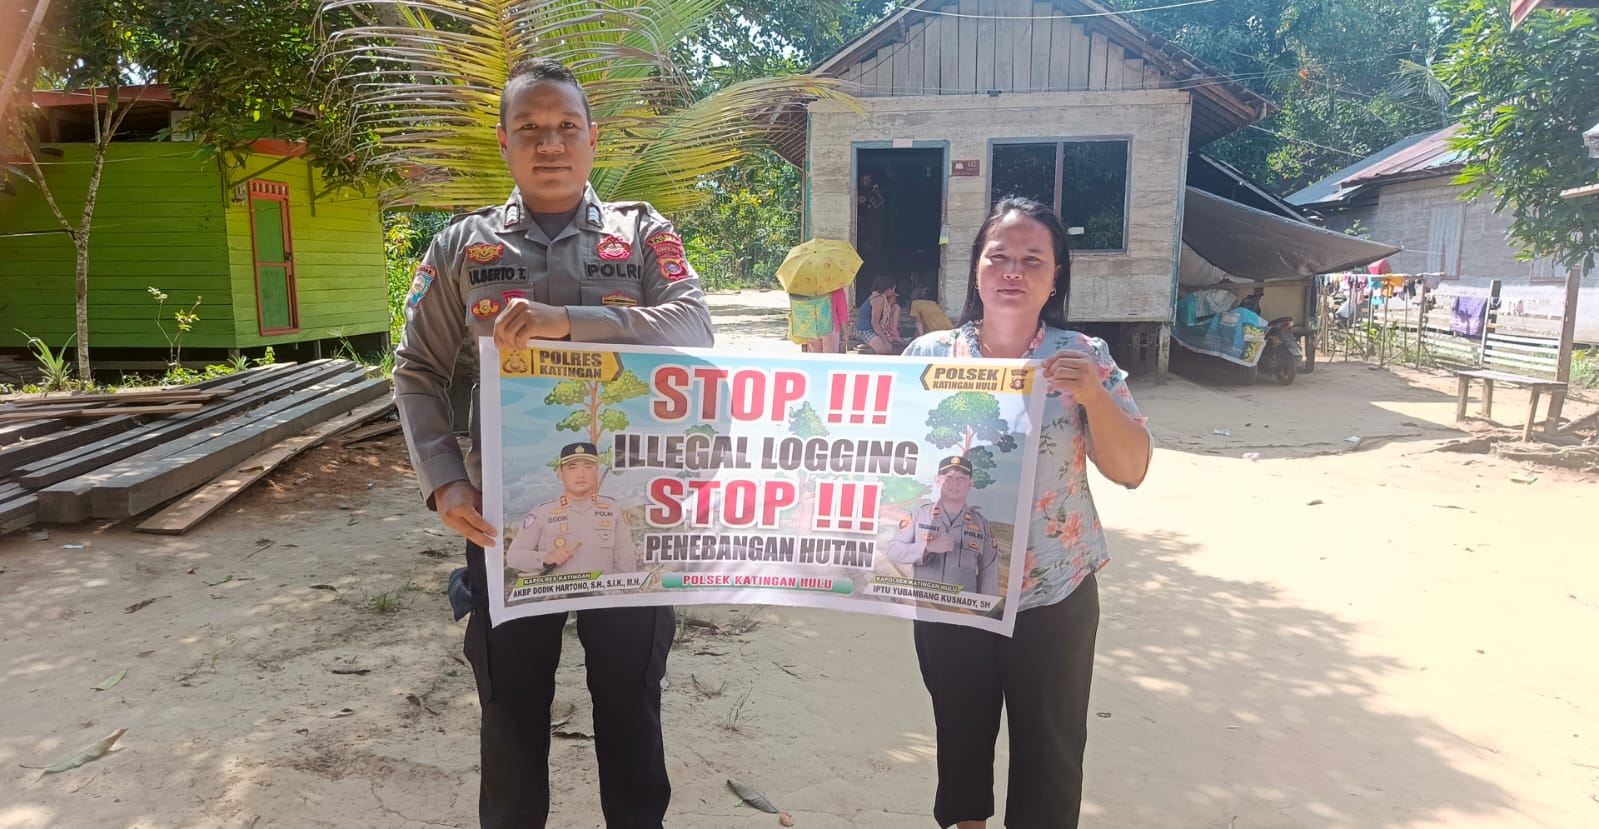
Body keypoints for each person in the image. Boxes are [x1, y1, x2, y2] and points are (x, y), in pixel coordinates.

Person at [393, 57, 713, 829]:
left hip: (626, 515)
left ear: (592, 139)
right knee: (511, 711)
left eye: (566, 127)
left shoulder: (642, 236)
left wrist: (570, 321)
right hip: (504, 520)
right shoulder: (461, 248)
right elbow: (417, 370)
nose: (549, 144)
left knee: (630, 703)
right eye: (530, 129)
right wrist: (445, 479)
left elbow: (693, 328)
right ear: (504, 142)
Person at [900, 197, 1151, 829]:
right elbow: (892, 466)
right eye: (999, 257)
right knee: (960, 742)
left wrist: (1093, 395)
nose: (1013, 271)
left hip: (1053, 591)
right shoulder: (927, 357)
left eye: (1032, 259)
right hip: (952, 588)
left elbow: (1131, 469)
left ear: (1056, 275)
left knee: (1050, 758)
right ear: (976, 268)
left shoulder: (1083, 356)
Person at [505, 442, 636, 577]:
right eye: (572, 467)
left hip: (601, 589)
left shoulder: (612, 509)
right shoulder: (542, 512)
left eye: (588, 467)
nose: (581, 474)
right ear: (560, 473)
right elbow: (514, 556)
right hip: (557, 590)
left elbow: (626, 563)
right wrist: (545, 558)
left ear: (596, 471)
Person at [886, 455, 999, 594]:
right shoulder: (916, 516)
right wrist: (927, 547)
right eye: (948, 477)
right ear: (937, 481)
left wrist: (986, 606)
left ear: (970, 484)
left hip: (962, 605)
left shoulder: (982, 526)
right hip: (920, 601)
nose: (954, 483)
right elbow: (893, 553)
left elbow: (989, 574)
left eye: (961, 478)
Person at [853, 274, 905, 354]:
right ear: (888, 289)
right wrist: (884, 339)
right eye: (893, 289)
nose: (894, 292)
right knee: (882, 349)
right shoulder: (878, 299)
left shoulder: (881, 298)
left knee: (889, 348)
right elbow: (874, 322)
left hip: (872, 329)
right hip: (865, 330)